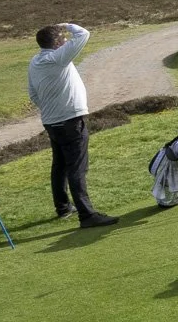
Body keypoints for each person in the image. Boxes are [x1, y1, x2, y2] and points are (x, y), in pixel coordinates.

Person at [27, 23, 116, 227]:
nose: (66, 40)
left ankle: (63, 207)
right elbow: (84, 34)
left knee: (59, 165)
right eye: (62, 38)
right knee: (77, 167)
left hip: (51, 121)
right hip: (70, 121)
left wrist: (51, 107)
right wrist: (67, 25)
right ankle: (87, 215)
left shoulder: (35, 61)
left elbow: (33, 94)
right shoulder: (58, 57)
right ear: (57, 43)